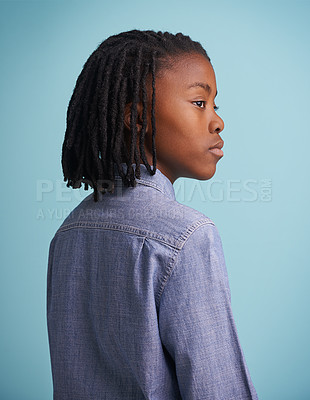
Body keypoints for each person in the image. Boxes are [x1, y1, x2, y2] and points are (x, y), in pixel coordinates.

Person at [47, 29, 259, 399]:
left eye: (215, 106)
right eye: (198, 103)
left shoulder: (68, 234)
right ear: (137, 118)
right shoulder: (187, 237)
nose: (217, 122)